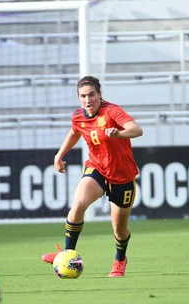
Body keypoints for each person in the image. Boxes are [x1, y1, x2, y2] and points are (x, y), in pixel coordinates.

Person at [41, 76, 143, 277]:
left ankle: (120, 259)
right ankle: (66, 254)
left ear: (100, 94)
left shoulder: (112, 111)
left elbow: (137, 129)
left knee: (119, 228)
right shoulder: (78, 116)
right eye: (83, 96)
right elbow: (74, 133)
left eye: (92, 95)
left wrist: (119, 134)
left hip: (122, 176)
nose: (88, 100)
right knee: (78, 204)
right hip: (96, 169)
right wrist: (59, 155)